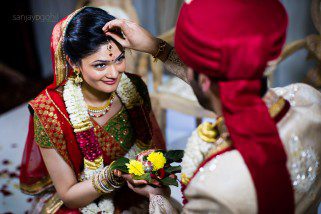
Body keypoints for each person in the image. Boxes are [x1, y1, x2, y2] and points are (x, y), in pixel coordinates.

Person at [103, 0, 321, 213]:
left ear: (205, 80)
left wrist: (157, 196)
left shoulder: (214, 190)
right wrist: (157, 47)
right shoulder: (309, 101)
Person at [19, 7, 166, 213]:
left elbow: (154, 148)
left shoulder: (134, 87)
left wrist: (151, 175)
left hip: (136, 188)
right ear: (73, 62)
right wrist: (115, 173)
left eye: (119, 59)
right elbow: (70, 196)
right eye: (100, 65)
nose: (114, 73)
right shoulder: (50, 112)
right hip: (85, 198)